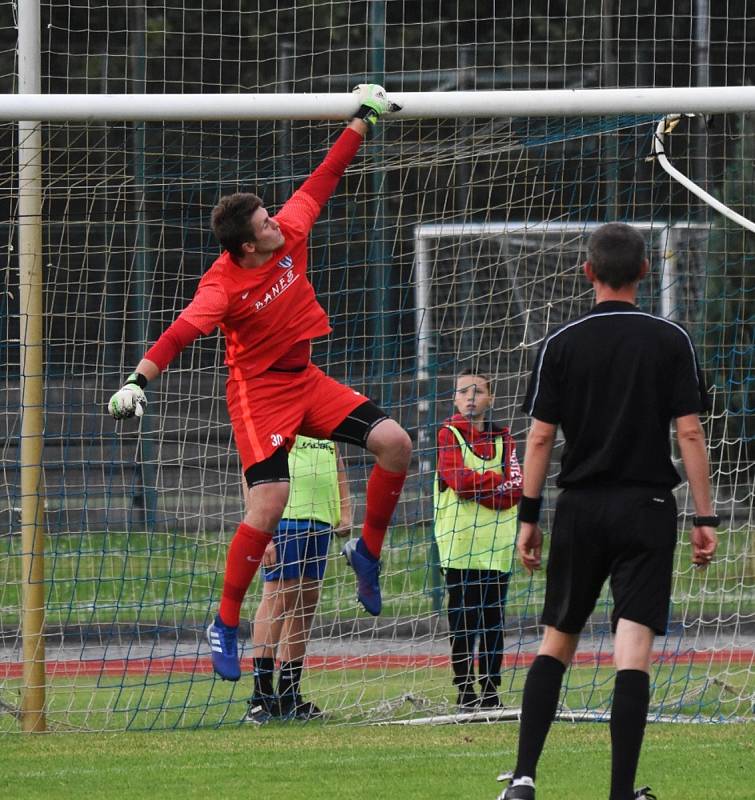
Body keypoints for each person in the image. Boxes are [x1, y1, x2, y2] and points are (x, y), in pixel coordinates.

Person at [107, 84, 412, 683]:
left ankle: (367, 554)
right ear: (248, 245)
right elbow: (179, 332)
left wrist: (362, 122)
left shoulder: (288, 232)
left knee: (396, 444)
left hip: (307, 379)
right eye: (266, 222)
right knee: (269, 503)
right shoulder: (221, 285)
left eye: (273, 215)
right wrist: (138, 379)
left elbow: (323, 177)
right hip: (260, 392)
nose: (279, 220)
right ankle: (224, 622)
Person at [496, 222, 718, 800]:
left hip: (581, 509)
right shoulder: (672, 339)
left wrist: (528, 517)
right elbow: (690, 433)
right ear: (645, 272)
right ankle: (620, 794)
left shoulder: (560, 343)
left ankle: (523, 778)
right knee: (632, 649)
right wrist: (704, 517)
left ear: (587, 272)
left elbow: (539, 440)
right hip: (646, 508)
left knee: (557, 640)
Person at [246, 435, 352, 723]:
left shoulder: (321, 416)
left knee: (306, 603)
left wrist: (344, 508)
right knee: (279, 597)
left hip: (319, 521)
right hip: (284, 518)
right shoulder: (275, 415)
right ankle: (261, 696)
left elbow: (336, 461)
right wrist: (261, 529)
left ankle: (290, 694)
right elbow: (253, 467)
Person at [433, 369, 522, 711]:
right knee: (463, 621)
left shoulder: (504, 439)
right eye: (463, 391)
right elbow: (460, 481)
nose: (471, 397)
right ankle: (465, 689)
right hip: (459, 549)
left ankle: (490, 689)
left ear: (491, 398)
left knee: (493, 622)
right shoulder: (448, 434)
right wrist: (494, 481)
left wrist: (487, 485)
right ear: (455, 398)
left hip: (496, 550)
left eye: (478, 391)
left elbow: (516, 487)